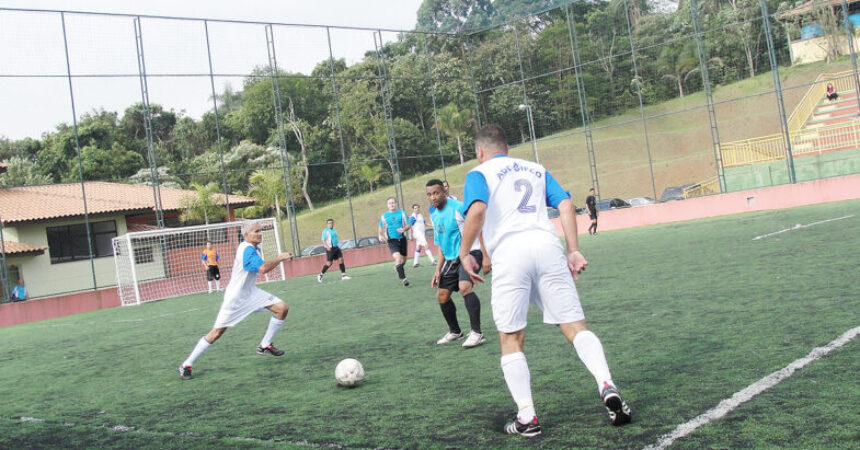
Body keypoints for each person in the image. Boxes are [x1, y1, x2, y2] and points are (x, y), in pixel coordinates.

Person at [458, 124, 631, 437]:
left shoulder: (478, 173)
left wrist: (463, 252)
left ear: (480, 152)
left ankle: (528, 417)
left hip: (510, 253)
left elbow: (478, 211)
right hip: (547, 245)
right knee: (575, 326)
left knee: (511, 338)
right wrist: (574, 249)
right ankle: (607, 384)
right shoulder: (536, 169)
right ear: (507, 148)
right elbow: (565, 204)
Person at [179, 221, 294, 380]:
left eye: (260, 230)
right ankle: (186, 365)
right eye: (256, 231)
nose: (260, 233)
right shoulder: (247, 250)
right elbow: (263, 270)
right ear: (246, 235)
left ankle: (265, 345)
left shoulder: (253, 247)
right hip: (236, 299)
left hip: (251, 293)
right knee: (216, 333)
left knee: (282, 308)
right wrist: (280, 257)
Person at [427, 179, 488, 348]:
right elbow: (440, 245)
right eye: (430, 194)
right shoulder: (434, 215)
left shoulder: (459, 208)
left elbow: (478, 226)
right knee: (442, 296)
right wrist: (437, 270)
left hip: (470, 252)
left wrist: (485, 254)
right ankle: (455, 331)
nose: (433, 197)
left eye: (436, 193)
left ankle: (477, 333)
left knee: (464, 287)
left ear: (444, 193)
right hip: (451, 259)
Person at [378, 197, 412, 286]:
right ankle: (404, 278)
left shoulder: (402, 213)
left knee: (403, 261)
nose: (391, 204)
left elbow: (409, 224)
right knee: (398, 258)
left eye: (393, 202)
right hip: (392, 241)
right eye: (389, 203)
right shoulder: (384, 216)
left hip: (402, 240)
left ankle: (397, 267)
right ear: (387, 205)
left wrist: (404, 229)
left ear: (396, 204)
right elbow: (380, 226)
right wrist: (380, 235)